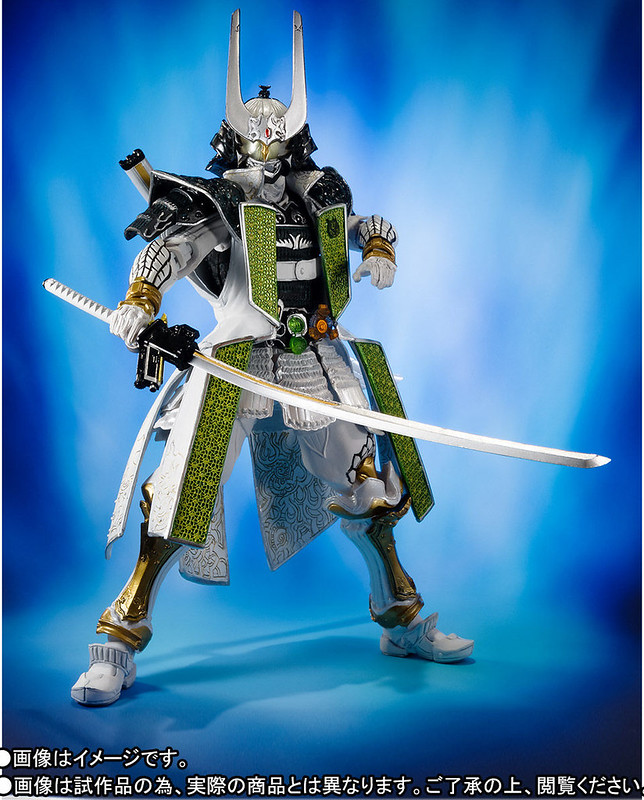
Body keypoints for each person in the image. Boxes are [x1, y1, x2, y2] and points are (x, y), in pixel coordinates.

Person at [71, 10, 473, 707]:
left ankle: (399, 618)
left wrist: (379, 248)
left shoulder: (318, 198)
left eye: (276, 142)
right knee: (180, 493)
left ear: (292, 143)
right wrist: (141, 296)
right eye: (254, 142)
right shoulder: (221, 205)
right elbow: (174, 247)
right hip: (233, 363)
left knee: (369, 491)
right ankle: (118, 639)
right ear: (236, 143)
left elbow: (366, 227)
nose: (265, 154)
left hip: (315, 357)